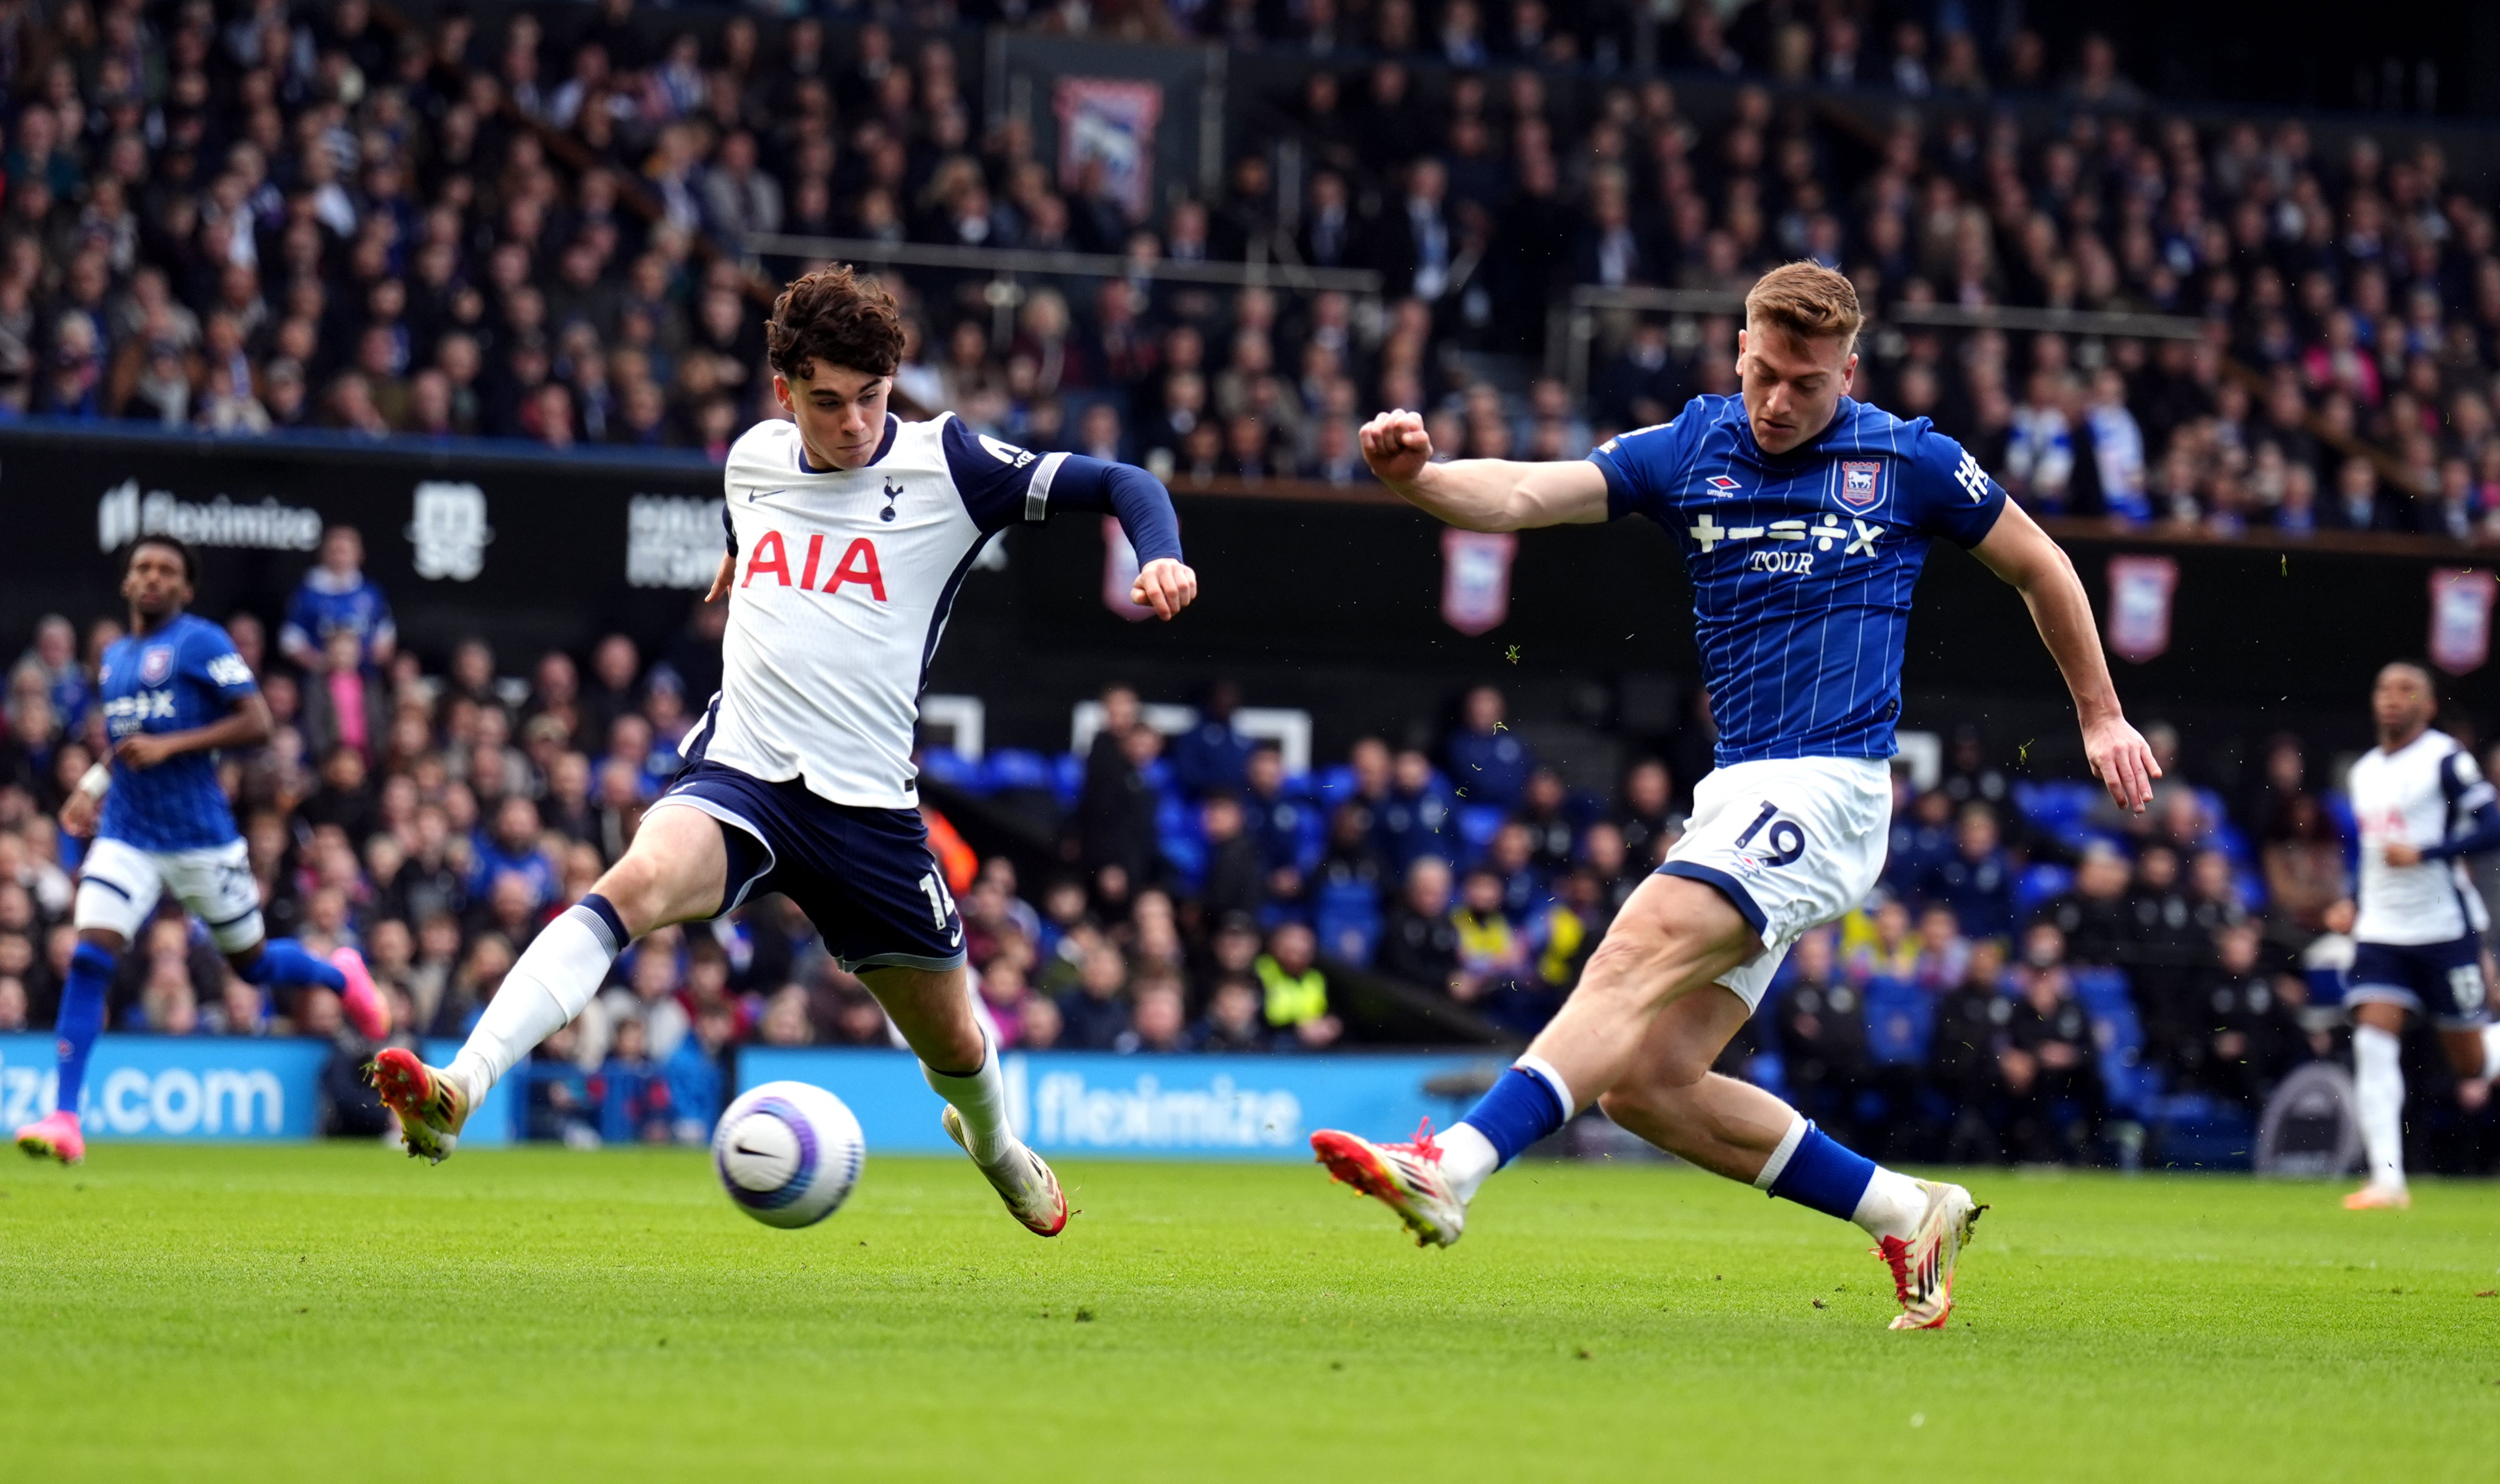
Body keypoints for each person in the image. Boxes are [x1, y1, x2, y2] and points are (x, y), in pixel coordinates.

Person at [1308, 261, 2158, 1331]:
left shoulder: (1908, 460)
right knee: (1648, 1084)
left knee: (1632, 946)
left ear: (1846, 372)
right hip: (1740, 793)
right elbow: (1529, 492)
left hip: (1831, 780)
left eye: (1802, 383)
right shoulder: (1692, 445)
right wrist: (1419, 481)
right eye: (1759, 372)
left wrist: (2097, 713)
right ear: (1738, 349)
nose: (1772, 402)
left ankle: (1453, 1166)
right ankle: (1905, 1210)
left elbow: (2040, 565)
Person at [362, 266, 1198, 1238]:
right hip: (744, 774)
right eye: (826, 402)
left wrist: (1159, 552)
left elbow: (1122, 481)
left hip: (867, 812)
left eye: (870, 399)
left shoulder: (951, 467)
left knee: (956, 1041)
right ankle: (461, 1088)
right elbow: (745, 510)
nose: (851, 423)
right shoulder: (754, 457)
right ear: (784, 394)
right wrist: (734, 551)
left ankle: (998, 1149)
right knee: (631, 886)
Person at [13, 536, 387, 1165]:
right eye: (142, 568)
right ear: (127, 582)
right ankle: (66, 1117)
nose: (152, 577)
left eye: (166, 570)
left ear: (185, 588)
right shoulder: (114, 658)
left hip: (200, 840)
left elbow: (257, 721)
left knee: (254, 965)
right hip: (128, 834)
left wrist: (176, 745)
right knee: (88, 958)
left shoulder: (202, 641)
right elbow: (132, 740)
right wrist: (95, 783)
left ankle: (338, 973)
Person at [2337, 661, 2500, 1211]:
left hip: (2442, 927)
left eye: (2407, 690)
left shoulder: (2446, 761)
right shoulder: (2363, 772)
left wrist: (2427, 854)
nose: (2392, 699)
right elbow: (2374, 856)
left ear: (2428, 706)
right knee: (2371, 1040)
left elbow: (2492, 825)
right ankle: (2388, 1181)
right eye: (2384, 688)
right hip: (2382, 931)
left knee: (2470, 1064)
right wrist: (2354, 904)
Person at [278, 524, 396, 671]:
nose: (340, 558)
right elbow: (291, 641)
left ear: (359, 554)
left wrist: (360, 662)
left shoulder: (371, 593)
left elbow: (386, 636)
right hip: (321, 682)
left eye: (345, 551)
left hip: (364, 680)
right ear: (323, 554)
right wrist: (323, 664)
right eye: (335, 551)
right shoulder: (307, 594)